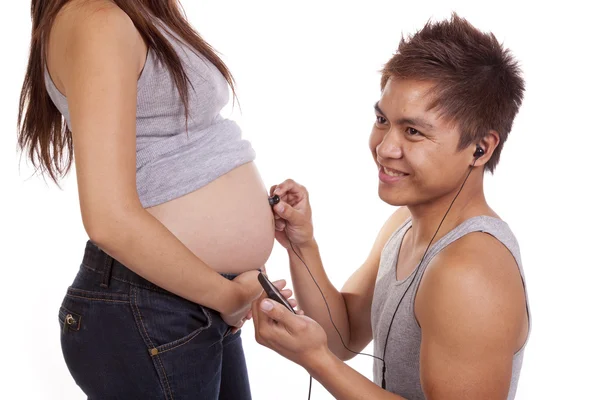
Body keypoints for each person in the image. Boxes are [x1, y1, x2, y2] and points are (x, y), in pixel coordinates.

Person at [17, 0, 294, 398]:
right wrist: (229, 295)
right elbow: (109, 219)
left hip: (187, 301)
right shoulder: (98, 20)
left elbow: (185, 147)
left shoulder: (137, 12)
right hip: (151, 306)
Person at [253, 13, 530, 400]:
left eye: (413, 131)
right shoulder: (404, 224)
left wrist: (316, 360)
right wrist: (301, 246)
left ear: (480, 149)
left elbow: (327, 354)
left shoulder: (470, 270)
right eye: (383, 120)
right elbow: (343, 336)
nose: (384, 148)